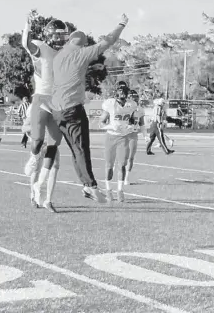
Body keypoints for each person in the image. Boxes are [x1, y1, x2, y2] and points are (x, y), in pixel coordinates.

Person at [51, 14, 129, 203]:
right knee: (82, 149)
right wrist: (121, 24)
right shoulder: (82, 53)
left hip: (56, 110)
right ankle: (91, 186)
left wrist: (90, 68)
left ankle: (85, 185)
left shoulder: (59, 55)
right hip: (72, 109)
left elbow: (70, 73)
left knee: (75, 150)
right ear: (83, 44)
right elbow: (108, 41)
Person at [22, 16, 64, 195]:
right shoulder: (41, 48)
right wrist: (28, 24)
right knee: (38, 140)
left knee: (55, 142)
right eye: (57, 35)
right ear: (48, 35)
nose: (61, 39)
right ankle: (33, 157)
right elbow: (25, 43)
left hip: (56, 100)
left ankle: (40, 188)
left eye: (63, 35)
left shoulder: (64, 53)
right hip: (41, 97)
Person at [100, 84, 137, 202]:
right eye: (120, 91)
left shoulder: (131, 105)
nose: (122, 94)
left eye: (124, 91)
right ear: (116, 92)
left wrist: (130, 127)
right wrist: (111, 126)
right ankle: (108, 190)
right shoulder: (110, 104)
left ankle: (120, 191)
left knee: (122, 165)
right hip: (111, 137)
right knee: (109, 166)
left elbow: (132, 121)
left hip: (123, 137)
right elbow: (100, 123)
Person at [22, 104, 59, 213]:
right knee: (36, 169)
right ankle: (33, 196)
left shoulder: (55, 104)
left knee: (55, 166)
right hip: (39, 143)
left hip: (52, 142)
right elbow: (24, 127)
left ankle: (48, 200)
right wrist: (38, 127)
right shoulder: (36, 106)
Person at [125, 89, 148, 185]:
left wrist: (145, 135)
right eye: (132, 98)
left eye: (136, 98)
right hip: (122, 134)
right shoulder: (123, 107)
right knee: (121, 156)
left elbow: (142, 123)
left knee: (130, 157)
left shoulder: (140, 109)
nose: (135, 100)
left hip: (133, 134)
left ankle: (126, 178)